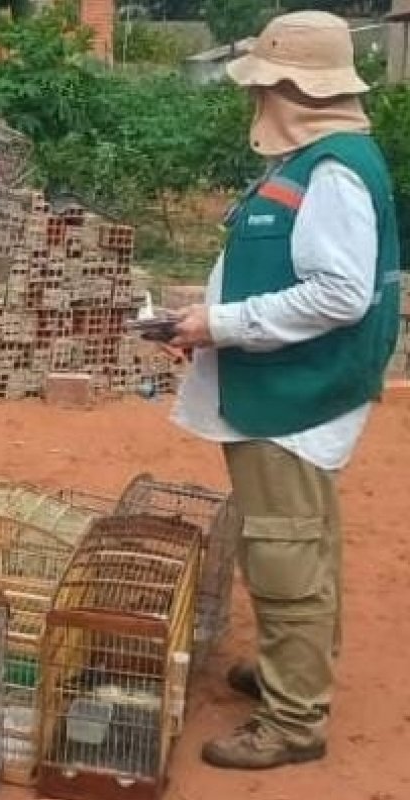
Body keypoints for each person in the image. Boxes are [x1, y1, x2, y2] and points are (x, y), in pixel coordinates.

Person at [168, 10, 400, 770]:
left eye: (264, 85)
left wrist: (222, 325)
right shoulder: (311, 159)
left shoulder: (331, 169)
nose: (255, 99)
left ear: (290, 88)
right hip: (284, 386)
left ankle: (294, 720)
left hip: (297, 392)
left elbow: (339, 294)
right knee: (303, 541)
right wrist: (203, 323)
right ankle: (284, 672)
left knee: (286, 553)